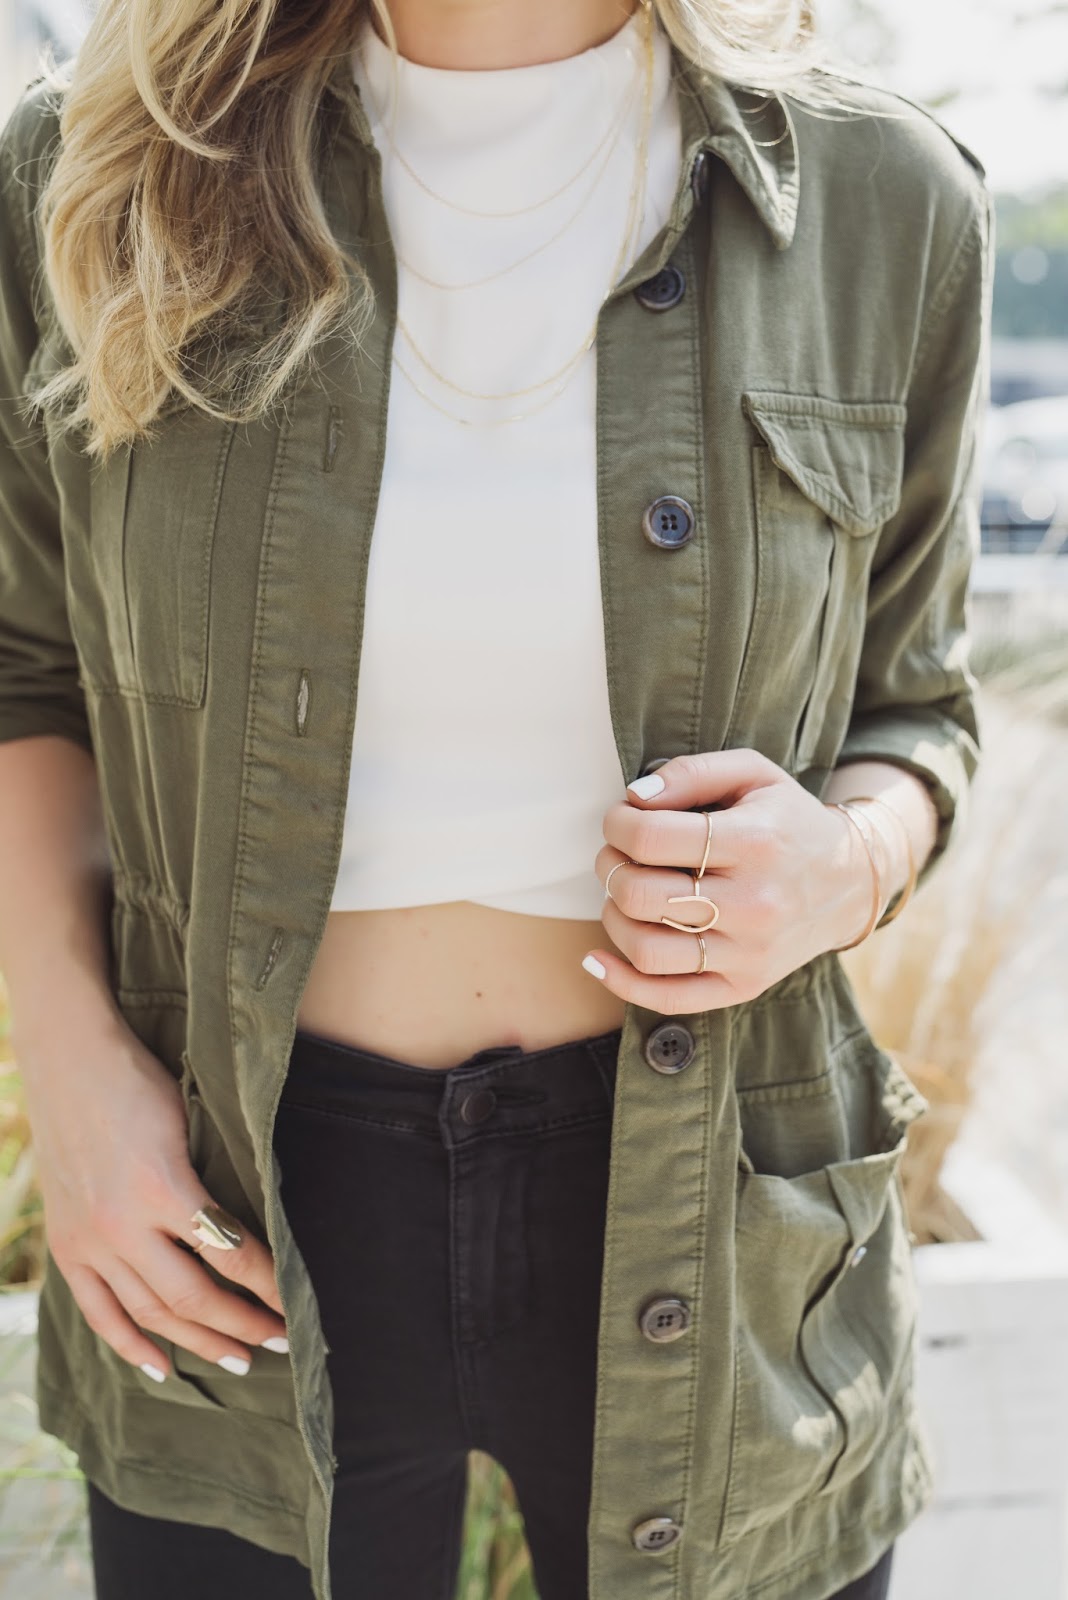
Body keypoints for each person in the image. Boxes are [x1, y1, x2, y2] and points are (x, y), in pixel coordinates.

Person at [0, 0, 992, 1596]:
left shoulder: (883, 202)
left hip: (715, 1192)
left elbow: (919, 710)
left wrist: (844, 864)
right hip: (229, 1197)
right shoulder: (100, 165)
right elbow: (22, 671)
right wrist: (75, 1079)